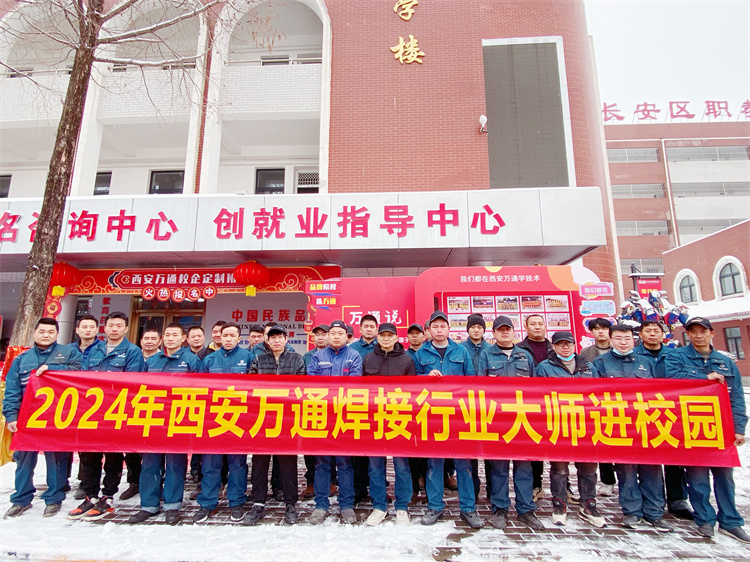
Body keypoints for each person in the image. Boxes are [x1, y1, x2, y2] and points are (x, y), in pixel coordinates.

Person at [665, 317, 749, 543]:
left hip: (721, 428)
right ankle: (705, 520)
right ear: (688, 334)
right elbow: (671, 379)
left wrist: (739, 428)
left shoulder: (725, 362)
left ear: (711, 333)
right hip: (692, 426)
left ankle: (730, 521)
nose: (698, 335)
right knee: (697, 478)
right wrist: (703, 378)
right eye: (693, 331)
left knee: (725, 477)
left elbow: (736, 397)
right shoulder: (676, 357)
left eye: (703, 331)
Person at [68, 311, 146, 521]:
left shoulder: (132, 352)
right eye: (111, 325)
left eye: (119, 326)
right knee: (89, 456)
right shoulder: (94, 350)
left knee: (113, 456)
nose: (114, 329)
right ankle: (90, 495)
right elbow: (82, 378)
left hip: (115, 412)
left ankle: (108, 496)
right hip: (91, 412)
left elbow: (132, 384)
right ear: (105, 328)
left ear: (126, 328)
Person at [593, 324, 671, 532]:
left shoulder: (646, 362)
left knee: (652, 469)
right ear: (611, 340)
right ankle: (632, 512)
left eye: (627, 338)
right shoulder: (600, 363)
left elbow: (661, 391)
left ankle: (655, 513)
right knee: (626, 470)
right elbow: (593, 394)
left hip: (647, 424)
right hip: (619, 425)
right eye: (618, 338)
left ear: (634, 340)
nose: (623, 342)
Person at [3, 318, 82, 519]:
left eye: (50, 332)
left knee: (55, 459)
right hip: (27, 418)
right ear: (35, 333)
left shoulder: (69, 354)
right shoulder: (22, 359)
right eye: (42, 331)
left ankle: (54, 498)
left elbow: (81, 373)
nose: (46, 335)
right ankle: (21, 499)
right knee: (23, 460)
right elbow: (12, 390)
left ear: (57, 334)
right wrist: (11, 416)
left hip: (57, 417)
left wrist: (54, 371)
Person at [413, 311, 482, 529]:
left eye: (443, 326)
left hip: (458, 416)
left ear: (449, 329)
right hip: (432, 417)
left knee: (464, 464)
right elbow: (412, 383)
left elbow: (471, 380)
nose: (439, 330)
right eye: (435, 327)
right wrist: (426, 378)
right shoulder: (421, 353)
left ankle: (468, 508)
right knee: (434, 464)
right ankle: (435, 506)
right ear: (429, 330)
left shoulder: (461, 351)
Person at [128, 323, 201, 526]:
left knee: (175, 464)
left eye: (175, 335)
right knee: (150, 463)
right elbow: (139, 387)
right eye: (167, 335)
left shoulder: (191, 360)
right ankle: (148, 505)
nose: (170, 338)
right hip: (153, 418)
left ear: (183, 338)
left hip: (179, 418)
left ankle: (172, 505)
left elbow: (201, 388)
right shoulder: (152, 360)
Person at [476, 315, 544, 531]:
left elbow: (535, 389)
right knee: (499, 468)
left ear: (514, 332)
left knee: (524, 467)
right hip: (497, 421)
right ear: (494, 333)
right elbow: (480, 387)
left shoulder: (525, 356)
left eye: (508, 329)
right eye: (500, 330)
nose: (505, 333)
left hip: (522, 420)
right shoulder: (486, 355)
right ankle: (500, 508)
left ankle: (526, 509)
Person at [536, 331, 606, 528]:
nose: (565, 347)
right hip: (559, 424)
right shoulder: (544, 367)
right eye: (560, 344)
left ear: (574, 345)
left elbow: (600, 394)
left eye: (568, 343)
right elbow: (538, 395)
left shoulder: (588, 367)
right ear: (553, 347)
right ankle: (559, 505)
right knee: (559, 468)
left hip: (586, 424)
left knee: (588, 467)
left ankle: (588, 504)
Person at [245, 325, 306, 526]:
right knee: (259, 463)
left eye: (280, 337)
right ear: (267, 340)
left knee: (288, 463)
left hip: (287, 419)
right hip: (263, 418)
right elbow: (250, 386)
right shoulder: (259, 359)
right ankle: (258, 503)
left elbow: (302, 387)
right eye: (273, 338)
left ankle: (290, 504)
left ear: (286, 339)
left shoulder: (296, 359)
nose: (276, 341)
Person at [193, 322, 252, 524]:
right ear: (218, 337)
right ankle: (208, 503)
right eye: (225, 335)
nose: (228, 339)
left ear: (239, 338)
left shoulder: (248, 357)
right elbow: (199, 388)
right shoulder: (209, 360)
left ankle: (236, 501)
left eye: (232, 335)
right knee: (211, 463)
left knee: (237, 464)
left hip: (238, 418)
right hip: (213, 418)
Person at [635, 320, 693, 520]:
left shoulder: (676, 356)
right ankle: (652, 503)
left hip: (673, 413)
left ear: (663, 334)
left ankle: (678, 500)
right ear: (641, 335)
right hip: (643, 413)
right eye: (648, 331)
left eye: (656, 331)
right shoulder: (633, 356)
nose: (652, 334)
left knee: (675, 459)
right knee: (648, 462)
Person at [306, 320, 363, 525]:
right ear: (328, 336)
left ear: (347, 336)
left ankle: (346, 505)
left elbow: (354, 384)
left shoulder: (354, 356)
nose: (336, 336)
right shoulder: (318, 356)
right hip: (322, 416)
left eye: (340, 333)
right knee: (321, 463)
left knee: (345, 463)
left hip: (344, 417)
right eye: (333, 333)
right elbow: (312, 383)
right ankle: (321, 504)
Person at [363, 323, 416, 526]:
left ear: (396, 338)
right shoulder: (368, 359)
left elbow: (413, 392)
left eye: (390, 335)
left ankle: (402, 506)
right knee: (375, 466)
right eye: (383, 335)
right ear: (378, 337)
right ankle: (379, 506)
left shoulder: (407, 360)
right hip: (375, 420)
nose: (386, 339)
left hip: (398, 419)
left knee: (402, 466)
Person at [517, 313, 553, 502]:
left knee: (557, 446)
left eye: (540, 323)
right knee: (533, 445)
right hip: (529, 404)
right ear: (526, 327)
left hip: (554, 405)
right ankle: (536, 485)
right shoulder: (520, 350)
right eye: (533, 324)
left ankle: (565, 488)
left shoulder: (555, 348)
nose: (537, 327)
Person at [580, 317, 616, 497]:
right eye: (596, 328)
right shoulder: (585, 353)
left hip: (622, 403)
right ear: (591, 332)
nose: (600, 332)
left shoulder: (619, 348)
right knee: (602, 442)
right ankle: (608, 480)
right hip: (596, 404)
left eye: (604, 328)